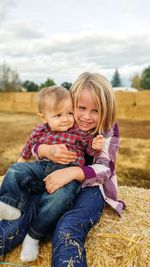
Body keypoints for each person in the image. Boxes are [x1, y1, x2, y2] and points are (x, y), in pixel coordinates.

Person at [0, 72, 125, 266]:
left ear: (106, 111)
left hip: (91, 188)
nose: (86, 116)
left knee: (68, 229)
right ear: (70, 103)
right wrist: (42, 150)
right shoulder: (65, 118)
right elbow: (38, 140)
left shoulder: (108, 128)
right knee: (21, 217)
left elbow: (105, 168)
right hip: (52, 178)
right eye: (80, 108)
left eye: (96, 111)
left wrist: (73, 172)